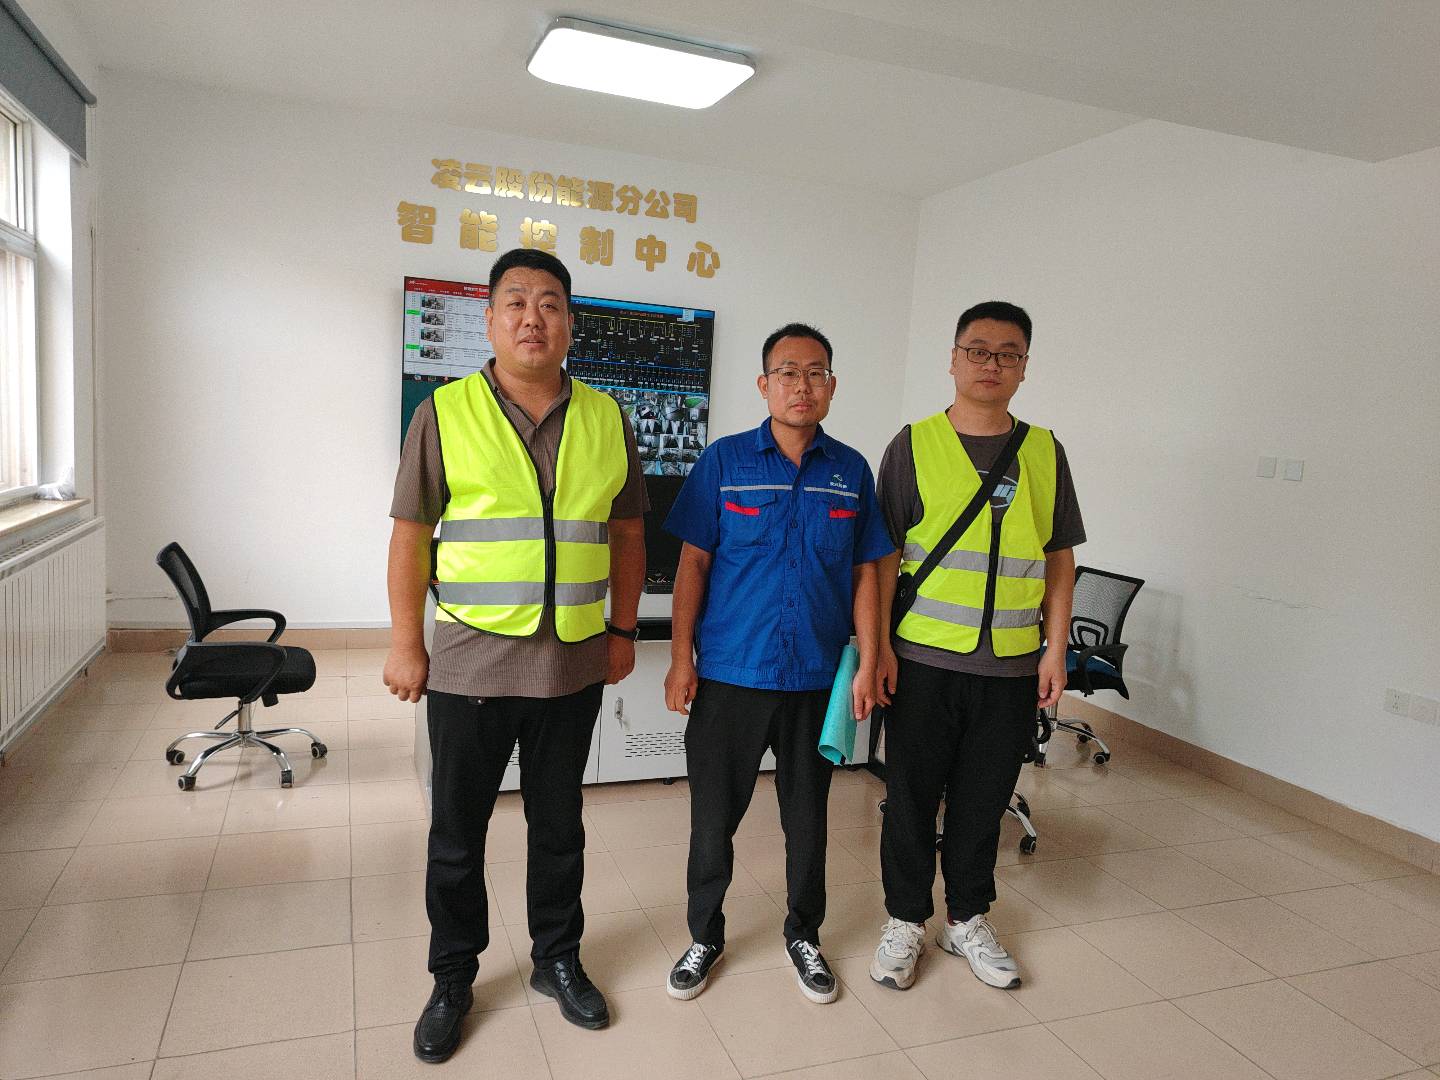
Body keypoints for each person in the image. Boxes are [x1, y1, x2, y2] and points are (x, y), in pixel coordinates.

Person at [384, 248, 646, 1063]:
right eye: (517, 302)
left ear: (571, 322)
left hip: (571, 663)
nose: (534, 318)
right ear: (491, 319)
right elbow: (410, 535)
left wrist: (624, 631)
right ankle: (452, 978)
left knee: (559, 827)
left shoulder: (607, 417)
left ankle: (557, 959)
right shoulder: (443, 412)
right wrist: (406, 643)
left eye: (551, 303)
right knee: (457, 833)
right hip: (470, 661)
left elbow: (628, 533)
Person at [662, 323, 894, 1004]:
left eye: (816, 372)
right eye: (788, 372)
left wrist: (869, 659)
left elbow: (865, 573)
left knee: (808, 818)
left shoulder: (850, 472)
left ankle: (804, 934)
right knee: (713, 820)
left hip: (815, 679)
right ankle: (704, 935)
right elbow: (693, 564)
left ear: (832, 386)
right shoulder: (725, 461)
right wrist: (680, 659)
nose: (802, 385)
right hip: (731, 674)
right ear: (764, 384)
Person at [869, 301, 1085, 992]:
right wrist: (878, 650)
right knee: (909, 799)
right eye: (979, 350)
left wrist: (1055, 649)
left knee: (983, 800)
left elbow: (1058, 557)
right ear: (954, 359)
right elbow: (882, 557)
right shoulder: (913, 444)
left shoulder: (1045, 451)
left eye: (1008, 353)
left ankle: (966, 918)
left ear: (1024, 366)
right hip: (923, 659)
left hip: (1011, 666)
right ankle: (906, 918)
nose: (992, 364)